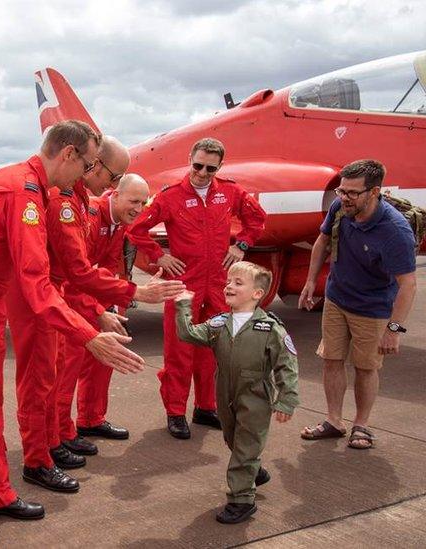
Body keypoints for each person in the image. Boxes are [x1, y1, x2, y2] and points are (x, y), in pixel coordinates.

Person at [0, 120, 148, 549]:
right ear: (67, 154)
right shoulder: (23, 191)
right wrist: (88, 333)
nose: (86, 175)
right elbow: (36, 282)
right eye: (86, 165)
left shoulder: (30, 187)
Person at [7, 136, 183, 492]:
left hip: (68, 298)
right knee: (48, 378)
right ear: (91, 164)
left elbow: (100, 267)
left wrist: (110, 304)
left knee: (63, 374)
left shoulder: (86, 203)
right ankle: (44, 451)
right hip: (54, 299)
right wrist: (130, 296)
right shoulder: (69, 202)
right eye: (113, 178)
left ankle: (59, 439)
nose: (112, 184)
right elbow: (77, 272)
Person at [128, 137, 267, 439]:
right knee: (179, 350)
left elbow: (257, 219)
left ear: (220, 167)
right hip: (183, 285)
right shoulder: (170, 196)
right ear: (190, 159)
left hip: (218, 284)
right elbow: (136, 228)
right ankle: (176, 411)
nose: (203, 173)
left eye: (210, 169)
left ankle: (206, 406)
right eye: (198, 165)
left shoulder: (230, 192)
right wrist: (158, 255)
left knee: (215, 348)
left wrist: (241, 244)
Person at [298, 159, 417, 449]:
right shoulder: (342, 208)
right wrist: (311, 281)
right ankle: (334, 421)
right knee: (332, 359)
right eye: (342, 190)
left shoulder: (395, 231)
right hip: (337, 297)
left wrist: (394, 329)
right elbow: (322, 241)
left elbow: (408, 285)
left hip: (373, 306)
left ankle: (361, 425)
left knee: (365, 367)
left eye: (353, 193)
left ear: (374, 192)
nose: (344, 198)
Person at [175, 261, 299, 524]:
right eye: (228, 282)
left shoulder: (270, 328)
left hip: (255, 395)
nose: (229, 286)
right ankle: (252, 469)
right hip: (225, 392)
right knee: (233, 441)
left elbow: (286, 364)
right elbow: (188, 335)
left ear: (257, 294)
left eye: (238, 283)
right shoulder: (219, 324)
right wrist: (183, 305)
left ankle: (241, 500)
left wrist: (287, 399)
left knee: (244, 447)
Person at [57, 172, 153, 454]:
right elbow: (76, 275)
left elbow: (109, 266)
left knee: (102, 361)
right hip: (70, 301)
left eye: (144, 203)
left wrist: (110, 308)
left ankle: (90, 419)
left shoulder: (118, 223)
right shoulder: (89, 215)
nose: (139, 208)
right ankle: (61, 433)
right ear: (116, 194)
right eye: (134, 200)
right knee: (67, 369)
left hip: (94, 298)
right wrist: (99, 311)